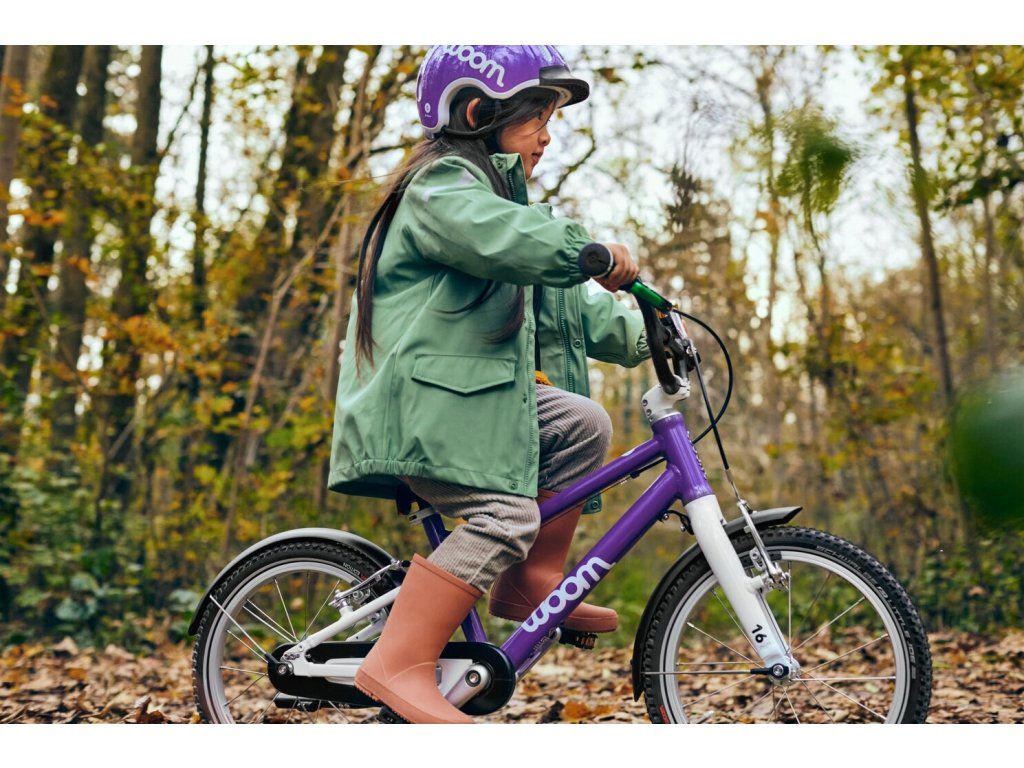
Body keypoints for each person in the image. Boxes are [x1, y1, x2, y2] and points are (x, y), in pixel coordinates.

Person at [328, 45, 650, 723]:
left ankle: (531, 581)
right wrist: (581, 248)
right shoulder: (442, 189)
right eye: (537, 117)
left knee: (583, 423)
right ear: (478, 113)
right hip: (422, 406)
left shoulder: (507, 215)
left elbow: (570, 310)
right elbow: (501, 234)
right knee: (505, 514)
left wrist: (652, 332)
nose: (547, 135)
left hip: (467, 406)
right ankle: (397, 662)